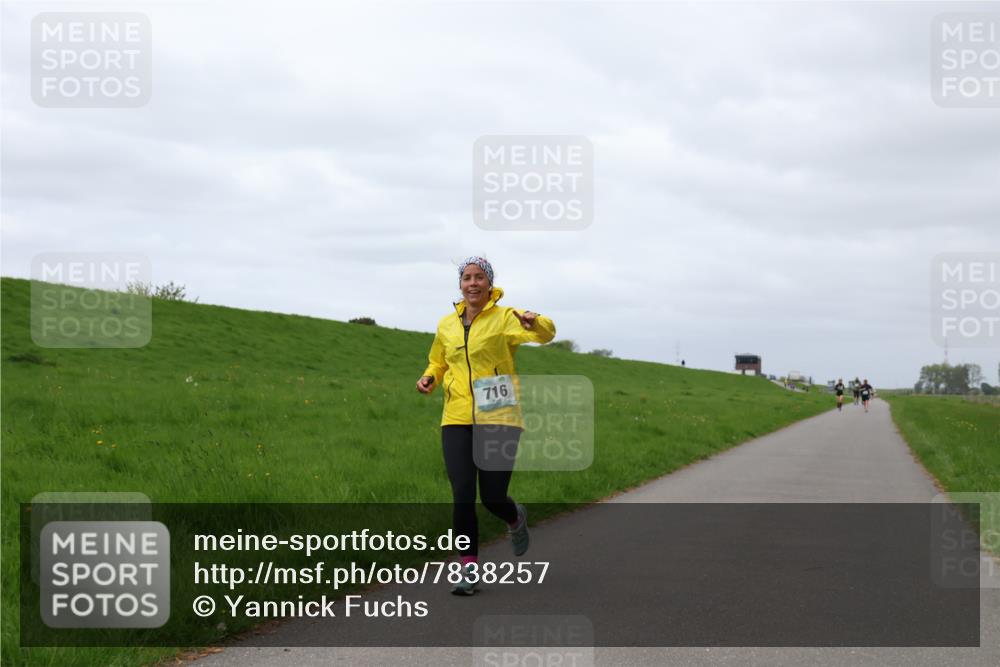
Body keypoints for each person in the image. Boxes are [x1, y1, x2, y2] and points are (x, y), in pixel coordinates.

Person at [416, 256, 556, 595]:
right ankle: (468, 570)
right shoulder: (447, 324)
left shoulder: (505, 318)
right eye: (467, 278)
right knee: (462, 495)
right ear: (460, 285)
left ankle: (514, 517)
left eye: (479, 277)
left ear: (489, 285)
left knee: (492, 496)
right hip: (457, 417)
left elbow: (546, 334)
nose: (473, 283)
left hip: (499, 414)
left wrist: (534, 320)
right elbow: (439, 359)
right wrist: (429, 377)